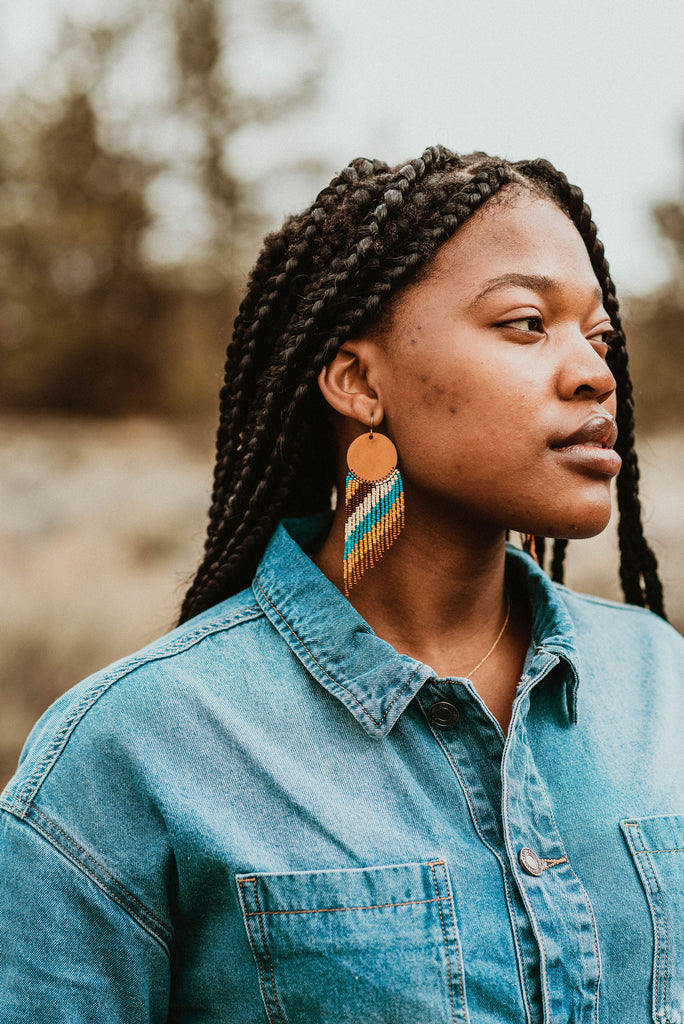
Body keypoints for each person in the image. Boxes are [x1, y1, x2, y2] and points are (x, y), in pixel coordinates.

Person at [1, 146, 682, 1024]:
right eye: (524, 323)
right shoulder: (135, 753)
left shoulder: (660, 683)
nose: (596, 374)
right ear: (358, 382)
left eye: (600, 338)